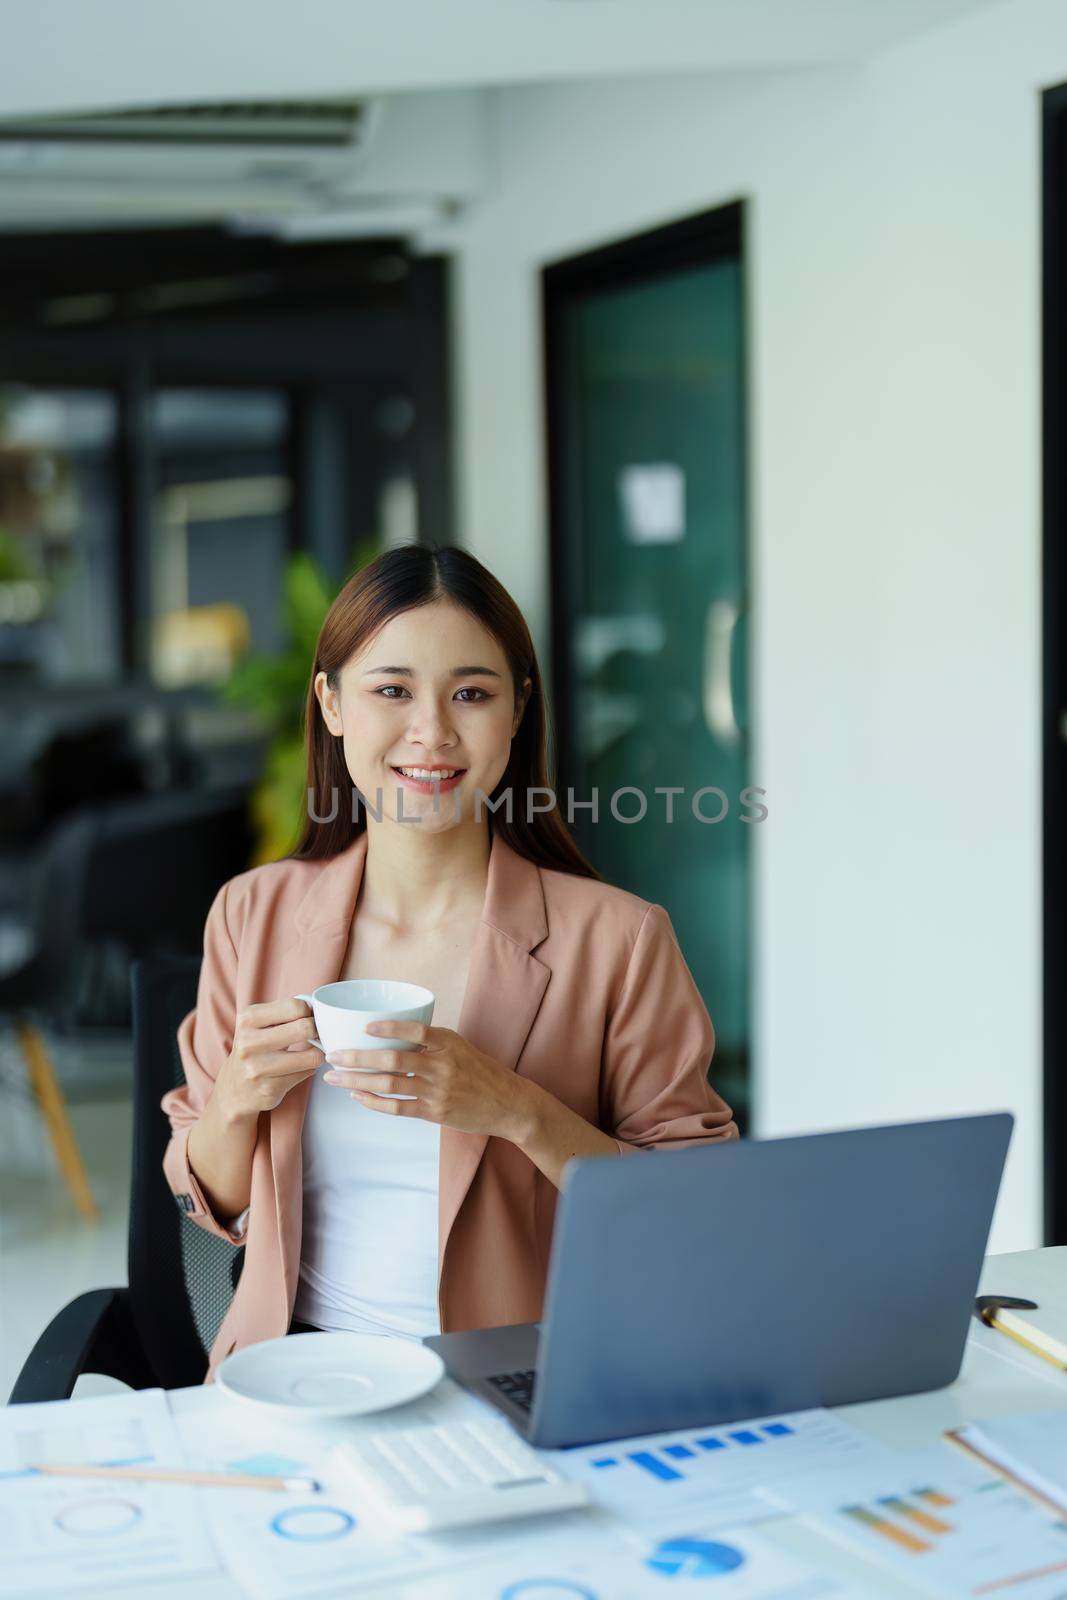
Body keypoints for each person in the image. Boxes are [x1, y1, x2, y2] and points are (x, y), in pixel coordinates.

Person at [161, 544, 738, 1384]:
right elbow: (212, 1201)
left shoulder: (619, 940)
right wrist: (237, 1102)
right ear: (330, 704)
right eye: (391, 690)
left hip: (526, 1382)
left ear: (517, 711)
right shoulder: (252, 913)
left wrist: (513, 1107)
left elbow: (696, 1218)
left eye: (471, 692)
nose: (430, 732)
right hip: (292, 1378)